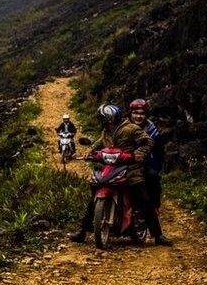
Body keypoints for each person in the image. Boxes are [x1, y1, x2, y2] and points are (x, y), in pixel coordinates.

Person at [70, 104, 172, 246]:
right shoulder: (106, 131)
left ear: (111, 118)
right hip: (111, 168)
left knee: (144, 199)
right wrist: (90, 153)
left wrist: (139, 154)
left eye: (105, 119)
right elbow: (99, 144)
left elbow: (148, 141)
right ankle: (83, 231)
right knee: (94, 196)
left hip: (132, 169)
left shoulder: (130, 128)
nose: (104, 121)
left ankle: (158, 235)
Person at [129, 99, 164, 211]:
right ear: (130, 113)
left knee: (152, 176)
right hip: (123, 161)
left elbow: (159, 152)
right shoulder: (123, 126)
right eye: (135, 113)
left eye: (142, 113)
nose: (138, 116)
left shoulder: (152, 130)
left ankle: (154, 207)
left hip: (144, 163)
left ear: (146, 115)